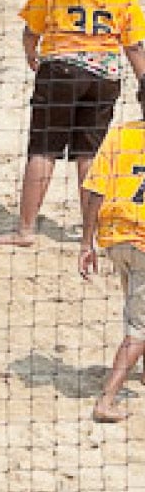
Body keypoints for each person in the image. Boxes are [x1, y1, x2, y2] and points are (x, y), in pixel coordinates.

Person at [0, 0, 145, 248]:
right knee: (89, 154)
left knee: (44, 149)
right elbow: (134, 46)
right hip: (105, 77)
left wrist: (31, 55)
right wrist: (143, 82)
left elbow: (30, 32)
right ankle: (88, 233)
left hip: (61, 72)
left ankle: (25, 230)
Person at [80, 77, 145, 422]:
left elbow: (95, 189)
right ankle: (107, 400)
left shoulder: (121, 134)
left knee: (138, 306)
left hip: (116, 239)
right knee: (139, 327)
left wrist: (85, 242)